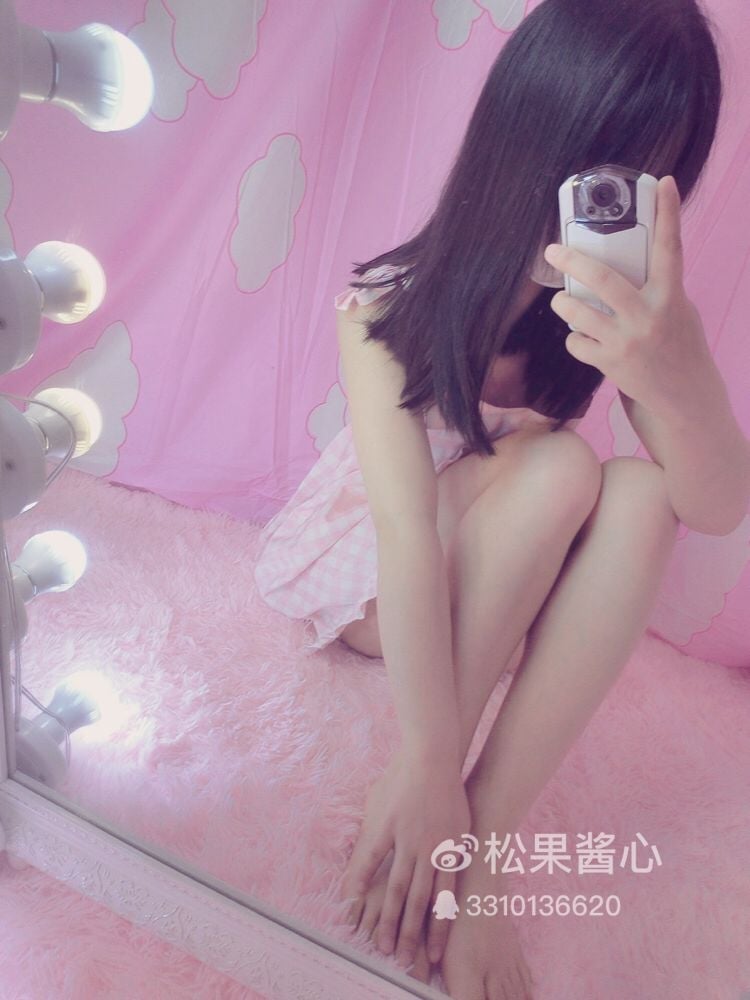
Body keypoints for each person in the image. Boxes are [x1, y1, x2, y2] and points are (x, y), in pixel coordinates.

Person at [254, 2, 748, 997]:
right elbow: (401, 531)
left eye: (628, 184)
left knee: (641, 493)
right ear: (515, 137)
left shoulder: (616, 321)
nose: (587, 209)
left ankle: (481, 848)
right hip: (370, 575)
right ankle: (441, 803)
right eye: (577, 166)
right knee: (564, 468)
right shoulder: (389, 307)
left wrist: (682, 368)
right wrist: (426, 761)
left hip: (489, 559)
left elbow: (716, 505)